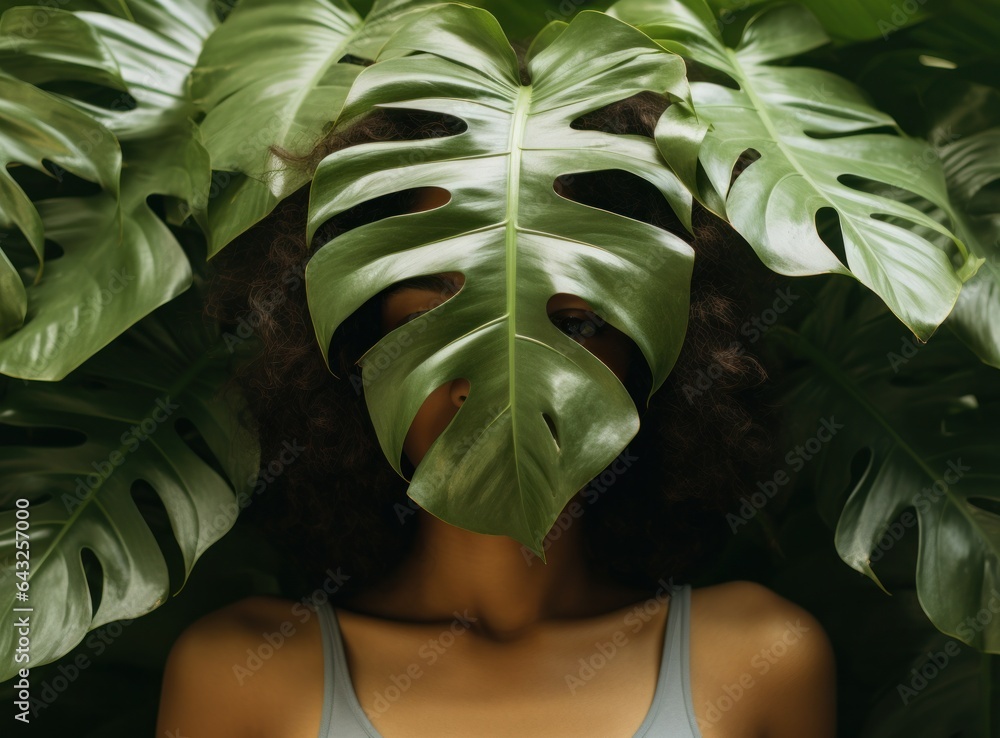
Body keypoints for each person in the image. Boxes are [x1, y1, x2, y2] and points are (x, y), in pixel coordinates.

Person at [155, 82, 837, 737]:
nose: (498, 378)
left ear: (654, 352)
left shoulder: (759, 659)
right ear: (358, 338)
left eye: (573, 326)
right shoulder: (242, 674)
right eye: (436, 316)